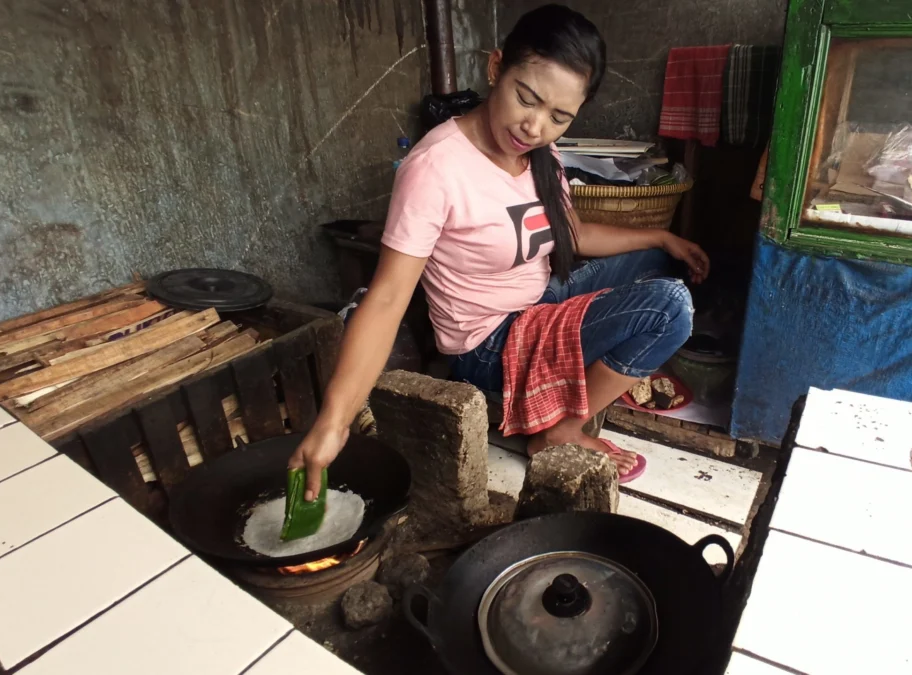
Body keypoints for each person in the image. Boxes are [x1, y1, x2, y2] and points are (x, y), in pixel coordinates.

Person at [288, 4, 709, 500]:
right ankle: (560, 429)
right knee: (670, 307)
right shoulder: (435, 169)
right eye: (525, 98)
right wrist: (333, 423)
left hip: (540, 299)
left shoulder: (542, 154)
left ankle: (578, 382)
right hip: (490, 342)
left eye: (558, 117)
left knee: (664, 266)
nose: (535, 127)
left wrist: (663, 238)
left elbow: (570, 238)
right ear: (495, 68)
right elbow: (385, 299)